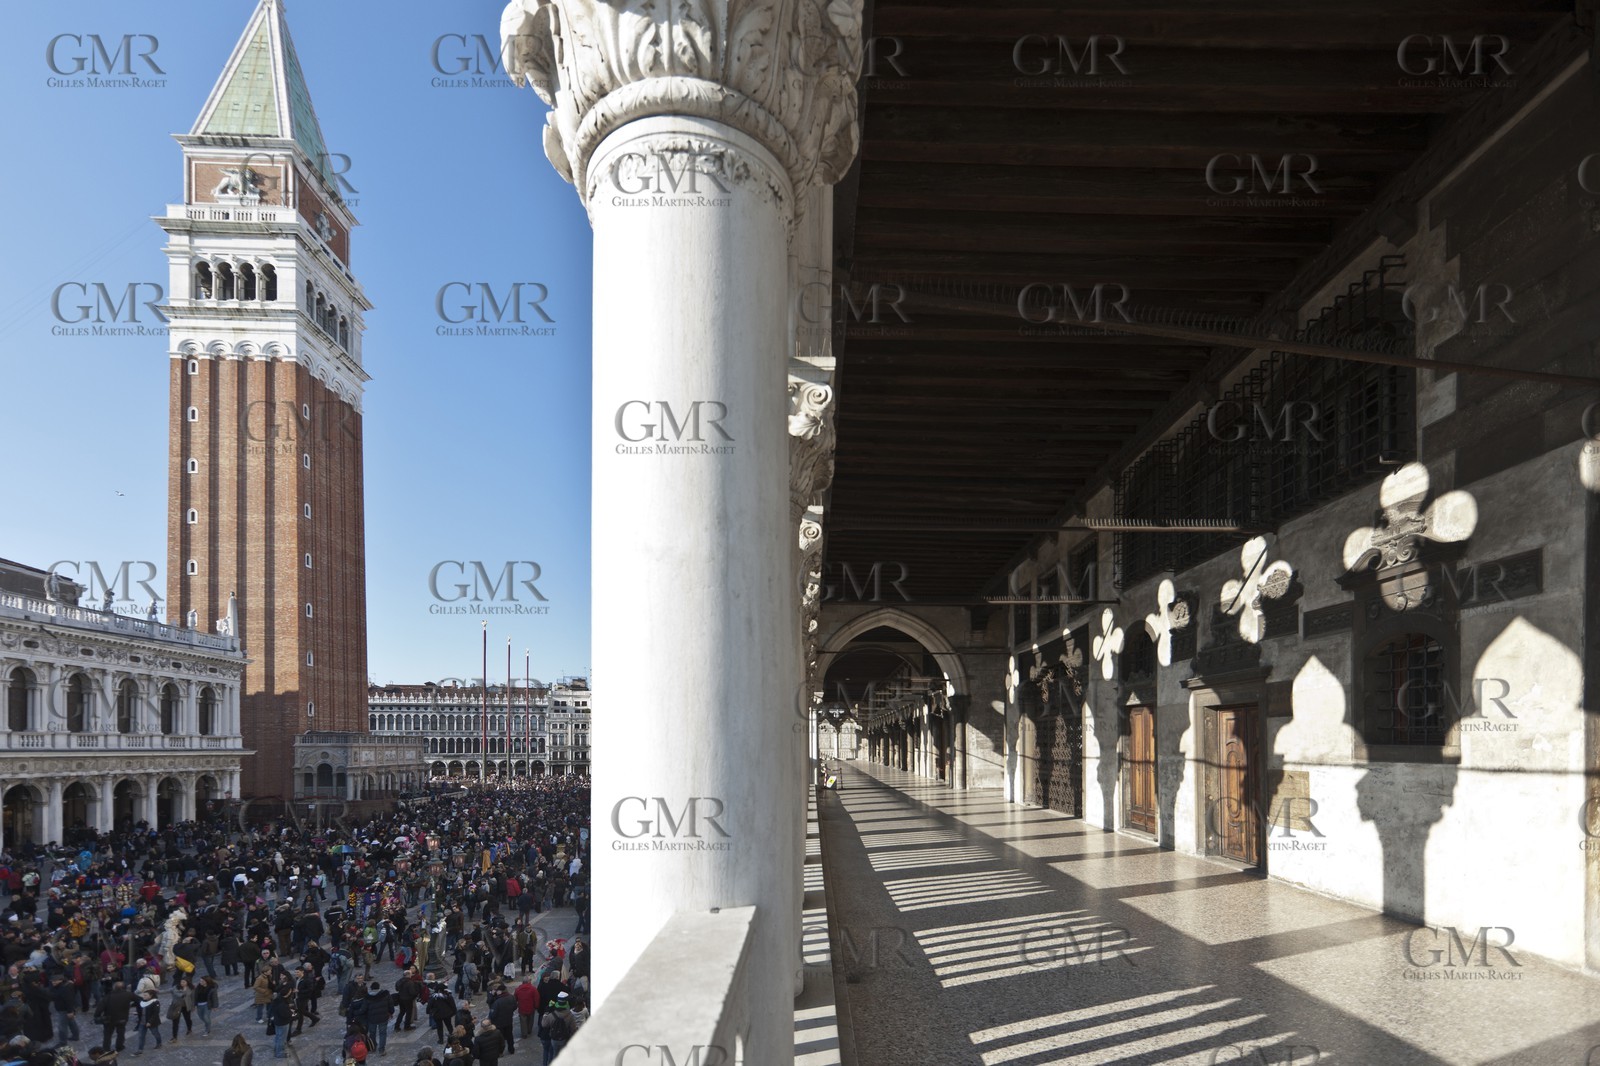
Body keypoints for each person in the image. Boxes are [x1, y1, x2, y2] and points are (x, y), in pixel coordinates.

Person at [98, 981, 134, 1052]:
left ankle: (106, 1049)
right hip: (122, 1018)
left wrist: (97, 1016)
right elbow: (138, 999)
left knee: (107, 1035)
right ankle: (119, 1046)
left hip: (109, 1019)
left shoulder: (108, 997)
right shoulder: (128, 994)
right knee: (121, 1033)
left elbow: (100, 1008)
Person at [132, 989, 161, 1056]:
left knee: (155, 1033)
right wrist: (137, 1013)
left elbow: (155, 1013)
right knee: (141, 1036)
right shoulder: (142, 1001)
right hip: (142, 1022)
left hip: (151, 1022)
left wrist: (150, 1022)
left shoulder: (155, 1002)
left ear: (151, 996)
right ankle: (140, 1050)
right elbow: (141, 1010)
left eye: (145, 995)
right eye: (144, 995)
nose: (144, 996)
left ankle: (159, 1043)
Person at [168, 976, 195, 1041]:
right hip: (177, 1007)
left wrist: (193, 1006)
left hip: (186, 1006)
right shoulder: (176, 987)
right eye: (181, 982)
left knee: (188, 1019)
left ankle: (189, 1029)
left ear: (187, 982)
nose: (182, 983)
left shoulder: (191, 988)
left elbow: (193, 998)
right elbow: (170, 990)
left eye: (183, 982)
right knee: (175, 1022)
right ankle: (174, 1037)